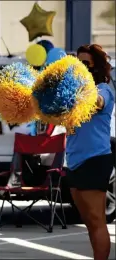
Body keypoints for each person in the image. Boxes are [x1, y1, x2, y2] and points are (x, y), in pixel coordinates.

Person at [66, 44, 115, 260]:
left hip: (95, 160)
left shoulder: (104, 90)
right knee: (88, 222)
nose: (81, 68)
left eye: (86, 64)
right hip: (74, 161)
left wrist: (81, 82)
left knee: (97, 221)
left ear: (97, 66)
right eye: (78, 63)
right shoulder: (75, 93)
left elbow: (97, 102)